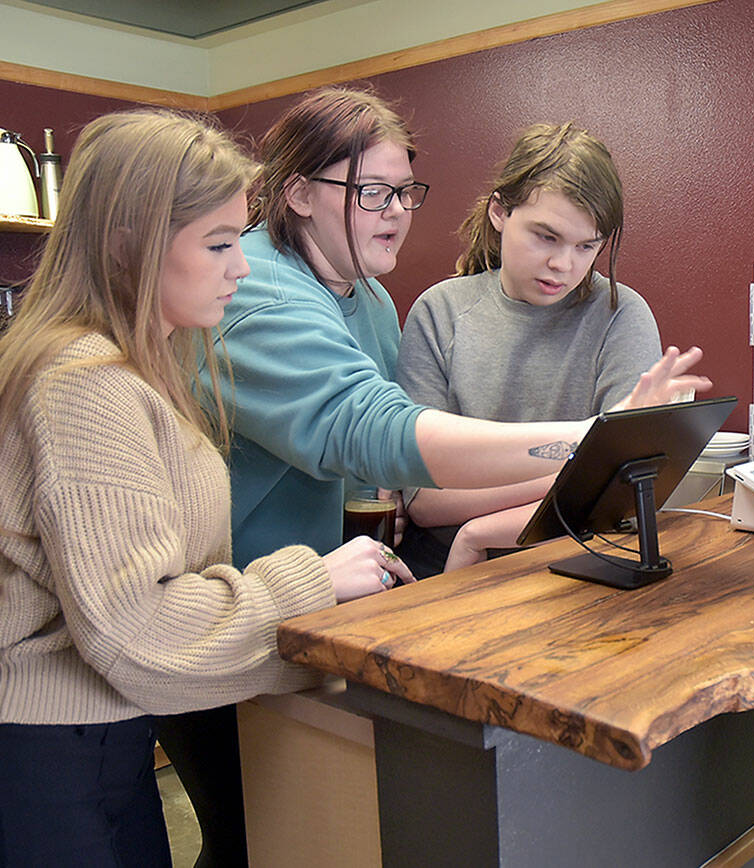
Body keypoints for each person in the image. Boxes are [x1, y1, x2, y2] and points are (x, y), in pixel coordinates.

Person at [162, 88, 707, 865]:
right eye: (369, 193)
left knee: (321, 822)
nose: (394, 213)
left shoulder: (373, 300)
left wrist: (483, 521)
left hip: (312, 602)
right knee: (253, 833)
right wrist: (594, 442)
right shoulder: (257, 290)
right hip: (221, 608)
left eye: (403, 192)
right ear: (299, 194)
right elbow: (381, 438)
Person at [0, 109, 413, 866]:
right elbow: (138, 630)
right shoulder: (82, 384)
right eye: (220, 244)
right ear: (130, 246)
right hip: (51, 760)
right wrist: (311, 581)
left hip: (105, 739)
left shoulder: (140, 368)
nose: (243, 265)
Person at [395, 122, 664, 575]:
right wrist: (566, 478)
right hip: (444, 578)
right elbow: (424, 502)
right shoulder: (438, 313)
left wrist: (480, 531)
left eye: (586, 246)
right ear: (500, 212)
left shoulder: (621, 313)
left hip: (576, 567)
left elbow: (623, 493)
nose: (563, 264)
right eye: (546, 236)